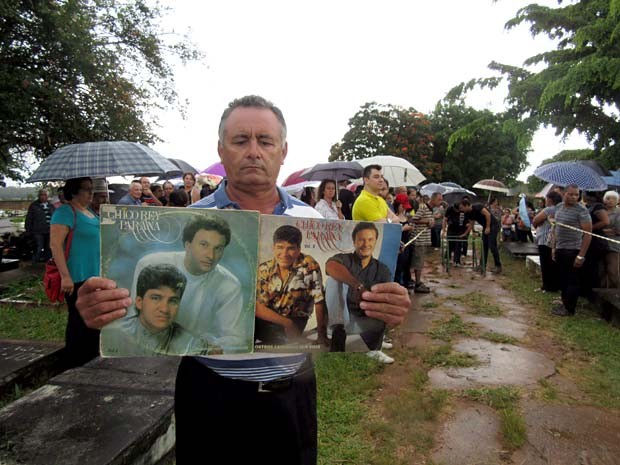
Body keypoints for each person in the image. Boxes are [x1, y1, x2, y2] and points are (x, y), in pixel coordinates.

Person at [75, 95, 410, 465]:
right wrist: (99, 310)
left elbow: (329, 291)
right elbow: (139, 312)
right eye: (240, 140)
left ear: (283, 151)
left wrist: (386, 306)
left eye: (265, 141)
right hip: (210, 394)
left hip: (291, 395)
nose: (254, 151)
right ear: (222, 149)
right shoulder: (192, 219)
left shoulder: (311, 219)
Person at [128, 215, 249, 354]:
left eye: (218, 248)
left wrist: (204, 346)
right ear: (188, 245)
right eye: (204, 245)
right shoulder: (150, 264)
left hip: (195, 354)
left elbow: (236, 338)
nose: (211, 255)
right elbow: (133, 317)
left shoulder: (229, 285)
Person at [325, 222, 395, 363]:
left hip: (363, 317)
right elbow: (330, 266)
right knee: (333, 281)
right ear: (354, 241)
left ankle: (375, 347)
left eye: (370, 239)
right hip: (341, 318)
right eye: (361, 239)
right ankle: (337, 336)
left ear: (376, 241)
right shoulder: (345, 259)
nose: (365, 244)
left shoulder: (382, 269)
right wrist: (357, 286)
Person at [50, 177, 100, 368]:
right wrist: (65, 276)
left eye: (91, 189)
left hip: (95, 275)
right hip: (77, 276)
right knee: (78, 321)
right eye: (87, 189)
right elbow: (55, 245)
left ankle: (91, 358)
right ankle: (74, 361)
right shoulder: (65, 212)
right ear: (74, 191)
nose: (91, 193)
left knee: (94, 319)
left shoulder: (90, 213)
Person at [255, 225, 328, 346]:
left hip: (295, 321)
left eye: (291, 248)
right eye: (280, 247)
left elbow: (319, 300)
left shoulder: (309, 265)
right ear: (274, 248)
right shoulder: (264, 269)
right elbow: (257, 307)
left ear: (299, 249)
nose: (284, 253)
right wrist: (286, 323)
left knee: (277, 337)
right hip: (272, 319)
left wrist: (321, 335)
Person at [104, 263, 198, 356]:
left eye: (173, 301)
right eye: (156, 298)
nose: (164, 309)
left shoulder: (192, 344)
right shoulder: (111, 335)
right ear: (139, 302)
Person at [550, 184, 592, 316]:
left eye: (576, 194)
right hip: (560, 248)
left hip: (573, 250)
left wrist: (581, 255)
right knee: (563, 278)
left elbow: (588, 234)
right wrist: (554, 247)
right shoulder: (558, 207)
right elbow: (556, 228)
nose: (574, 197)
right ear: (564, 194)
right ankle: (564, 302)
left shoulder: (582, 211)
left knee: (571, 280)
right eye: (571, 194)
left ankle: (570, 309)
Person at [410, 192, 443, 292]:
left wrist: (430, 223)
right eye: (439, 199)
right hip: (419, 239)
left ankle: (418, 281)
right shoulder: (423, 207)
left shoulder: (431, 209)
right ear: (432, 199)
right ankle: (417, 283)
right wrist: (427, 221)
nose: (440, 202)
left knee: (420, 262)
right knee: (418, 262)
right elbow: (414, 219)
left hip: (425, 239)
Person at [459, 198, 502, 273]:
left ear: (467, 205)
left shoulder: (478, 206)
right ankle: (482, 265)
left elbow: (488, 215)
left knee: (492, 246)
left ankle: (498, 266)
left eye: (462, 208)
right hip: (486, 227)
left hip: (493, 225)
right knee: (484, 246)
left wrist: (488, 227)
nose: (461, 210)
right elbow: (471, 224)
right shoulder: (468, 213)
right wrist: (466, 233)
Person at [532, 190, 563, 292]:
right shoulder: (562, 209)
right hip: (556, 241)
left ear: (550, 200)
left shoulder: (549, 209)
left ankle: (547, 286)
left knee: (545, 263)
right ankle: (554, 285)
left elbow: (535, 220)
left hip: (545, 240)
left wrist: (537, 224)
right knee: (553, 264)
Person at [25, 189, 55, 263]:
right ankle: (34, 263)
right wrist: (28, 230)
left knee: (49, 248)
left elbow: (55, 217)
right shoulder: (34, 205)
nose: (43, 196)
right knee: (38, 247)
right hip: (38, 231)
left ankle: (47, 264)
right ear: (38, 196)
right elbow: (29, 219)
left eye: (45, 195)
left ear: (47, 196)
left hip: (49, 231)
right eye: (41, 195)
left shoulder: (51, 206)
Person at [392, 193, 414, 289]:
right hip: (397, 246)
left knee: (406, 266)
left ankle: (406, 283)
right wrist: (403, 229)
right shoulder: (393, 218)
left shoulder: (407, 217)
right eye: (403, 206)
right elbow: (390, 231)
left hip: (407, 244)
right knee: (398, 267)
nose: (404, 209)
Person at [602, 190, 620, 288]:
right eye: (608, 198)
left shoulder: (618, 212)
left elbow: (618, 230)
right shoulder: (601, 211)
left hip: (613, 245)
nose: (610, 201)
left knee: (613, 270)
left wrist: (604, 230)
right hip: (601, 244)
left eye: (613, 199)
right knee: (601, 271)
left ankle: (616, 292)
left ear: (617, 201)